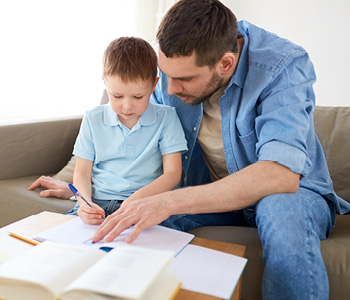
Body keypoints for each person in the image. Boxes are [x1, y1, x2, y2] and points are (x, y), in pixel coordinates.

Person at [28, 0, 350, 299]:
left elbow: (280, 176)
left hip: (292, 194)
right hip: (209, 191)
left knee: (280, 212)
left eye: (183, 79)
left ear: (226, 63)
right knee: (133, 225)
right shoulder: (169, 78)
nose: (168, 90)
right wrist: (80, 187)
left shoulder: (283, 66)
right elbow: (129, 138)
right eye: (164, 75)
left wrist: (167, 201)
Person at [63, 36, 187, 224]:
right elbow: (81, 173)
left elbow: (173, 174)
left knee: (153, 244)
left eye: (138, 96)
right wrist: (84, 203)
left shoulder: (167, 118)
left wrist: (135, 201)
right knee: (65, 242)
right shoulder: (92, 118)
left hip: (146, 202)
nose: (127, 106)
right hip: (98, 202)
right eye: (117, 96)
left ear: (153, 85)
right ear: (104, 82)